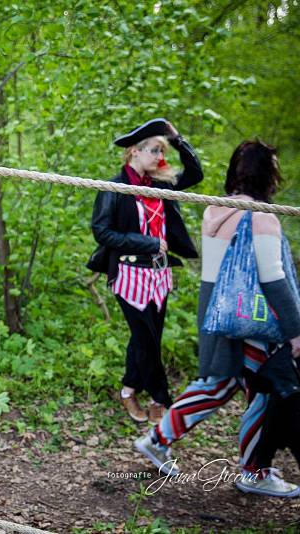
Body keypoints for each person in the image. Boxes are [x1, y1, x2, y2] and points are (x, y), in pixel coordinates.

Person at [135, 139, 300, 497]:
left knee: (219, 383)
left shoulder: (214, 210)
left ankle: (157, 438)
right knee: (264, 391)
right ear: (267, 174)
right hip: (250, 319)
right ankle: (255, 472)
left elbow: (215, 273)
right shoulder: (263, 218)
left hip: (216, 310)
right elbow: (274, 282)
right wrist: (296, 331)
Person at [88, 118, 203, 423]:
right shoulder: (114, 187)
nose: (158, 158)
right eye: (153, 150)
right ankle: (161, 398)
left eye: (160, 152)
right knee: (146, 338)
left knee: (147, 337)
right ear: (133, 153)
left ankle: (128, 389)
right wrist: (147, 243)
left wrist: (177, 139)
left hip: (159, 275)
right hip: (128, 275)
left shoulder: (161, 185)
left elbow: (195, 173)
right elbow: (102, 232)